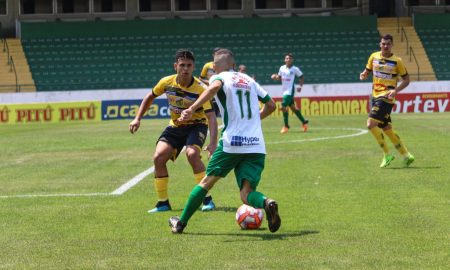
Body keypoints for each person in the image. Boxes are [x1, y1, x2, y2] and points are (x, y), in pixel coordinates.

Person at [169, 48, 281, 234]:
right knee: (246, 194)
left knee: (206, 182)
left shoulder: (218, 77)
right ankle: (266, 202)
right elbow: (271, 105)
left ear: (214, 67)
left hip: (232, 142)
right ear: (234, 65)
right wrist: (254, 121)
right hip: (256, 144)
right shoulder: (250, 80)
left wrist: (192, 107)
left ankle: (180, 223)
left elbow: (213, 88)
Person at [129, 49, 218, 213]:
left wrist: (212, 143)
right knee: (158, 157)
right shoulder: (166, 82)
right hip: (176, 126)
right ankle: (163, 203)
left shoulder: (201, 88)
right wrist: (137, 118)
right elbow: (150, 97)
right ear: (175, 66)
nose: (185, 69)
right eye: (182, 65)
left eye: (189, 65)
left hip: (196, 125)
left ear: (194, 67)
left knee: (192, 155)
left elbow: (211, 117)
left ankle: (207, 200)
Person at [360, 34, 415, 168]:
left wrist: (396, 91)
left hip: (387, 97)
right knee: (386, 128)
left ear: (392, 45)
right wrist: (363, 74)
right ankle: (406, 155)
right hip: (375, 96)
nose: (385, 46)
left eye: (388, 44)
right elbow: (368, 70)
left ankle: (387, 154)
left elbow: (407, 79)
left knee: (370, 124)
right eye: (383, 43)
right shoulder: (374, 56)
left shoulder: (397, 61)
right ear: (380, 44)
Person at [271, 53, 309, 134]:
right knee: (293, 108)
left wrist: (300, 86)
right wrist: (275, 77)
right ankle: (304, 122)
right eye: (287, 58)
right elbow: (279, 77)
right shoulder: (282, 68)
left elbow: (301, 77)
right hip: (284, 91)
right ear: (285, 60)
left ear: (292, 60)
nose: (288, 60)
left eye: (290, 58)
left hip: (290, 91)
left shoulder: (295, 69)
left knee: (282, 106)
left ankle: (286, 126)